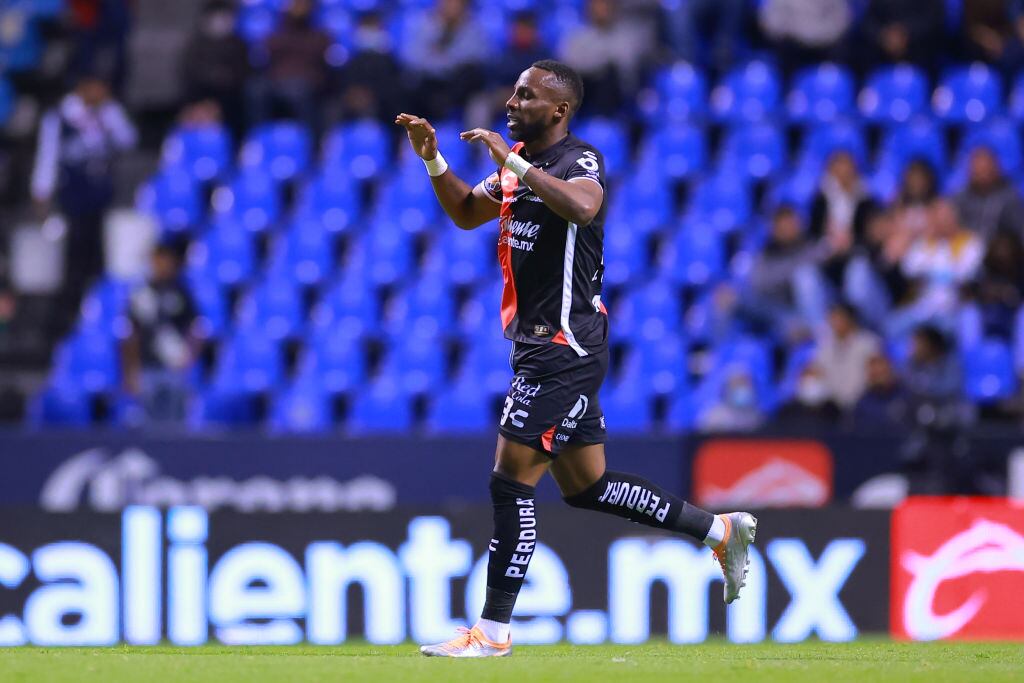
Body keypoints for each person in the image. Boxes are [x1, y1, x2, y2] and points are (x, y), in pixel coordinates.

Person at [395, 60, 756, 657]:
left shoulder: (578, 160)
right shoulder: (519, 169)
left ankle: (493, 633)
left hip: (563, 345)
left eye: (526, 95)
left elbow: (584, 207)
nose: (511, 102)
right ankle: (720, 530)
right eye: (512, 91)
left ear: (559, 110)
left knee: (510, 479)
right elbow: (464, 213)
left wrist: (512, 163)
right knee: (588, 486)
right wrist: (433, 159)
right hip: (538, 343)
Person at [31, 74, 138, 333]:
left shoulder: (107, 113)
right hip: (73, 199)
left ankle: (102, 315)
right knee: (74, 263)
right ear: (84, 87)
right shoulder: (59, 116)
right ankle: (63, 321)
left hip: (101, 199)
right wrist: (41, 192)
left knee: (101, 261)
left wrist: (110, 113)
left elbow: (129, 140)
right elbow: (47, 156)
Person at [121, 244, 198, 424]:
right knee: (148, 424)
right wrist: (131, 370)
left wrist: (189, 355)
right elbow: (131, 334)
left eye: (166, 261)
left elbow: (196, 327)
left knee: (176, 422)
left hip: (174, 366)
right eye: (158, 261)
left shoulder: (181, 292)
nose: (162, 266)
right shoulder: (140, 294)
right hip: (147, 366)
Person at [887, 199, 984, 338]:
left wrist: (933, 270)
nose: (941, 222)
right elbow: (909, 269)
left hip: (955, 308)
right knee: (891, 326)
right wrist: (930, 245)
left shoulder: (970, 242)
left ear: (954, 218)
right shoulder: (927, 243)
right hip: (924, 307)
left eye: (945, 217)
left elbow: (966, 274)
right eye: (936, 218)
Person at [741, 205, 830, 340]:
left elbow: (822, 255)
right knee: (726, 299)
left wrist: (784, 274)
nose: (788, 230)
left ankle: (820, 336)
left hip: (815, 309)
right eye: (782, 227)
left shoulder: (810, 245)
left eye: (791, 224)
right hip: (779, 311)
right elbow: (759, 283)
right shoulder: (767, 253)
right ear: (774, 230)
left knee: (804, 276)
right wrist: (790, 272)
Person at [248, 0, 332, 134]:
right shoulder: (278, 33)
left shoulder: (319, 36)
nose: (298, 8)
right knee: (256, 90)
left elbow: (320, 61)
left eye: (302, 4)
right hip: (276, 80)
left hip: (305, 82)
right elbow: (268, 51)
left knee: (301, 92)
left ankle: (310, 144)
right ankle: (256, 139)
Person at [559, 0, 653, 115]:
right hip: (587, 98)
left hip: (620, 98)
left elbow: (629, 73)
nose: (602, 9)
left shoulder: (628, 38)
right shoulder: (576, 38)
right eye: (597, 4)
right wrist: (601, 65)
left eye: (606, 4)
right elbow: (569, 69)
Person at [403, 0, 490, 119]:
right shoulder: (424, 24)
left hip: (457, 86)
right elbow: (412, 58)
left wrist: (439, 58)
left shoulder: (473, 29)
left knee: (471, 77)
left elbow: (476, 57)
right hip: (428, 84)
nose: (451, 6)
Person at [181, 0, 249, 138]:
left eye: (224, 17)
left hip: (230, 93)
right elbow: (189, 70)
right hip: (201, 92)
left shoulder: (238, 44)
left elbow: (243, 70)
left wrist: (226, 78)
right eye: (216, 17)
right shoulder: (196, 44)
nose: (220, 21)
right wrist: (212, 76)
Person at [812, 302, 881, 410]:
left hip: (864, 404)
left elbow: (877, 377)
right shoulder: (824, 348)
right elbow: (817, 375)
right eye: (831, 319)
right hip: (832, 408)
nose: (833, 323)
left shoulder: (869, 343)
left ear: (850, 319)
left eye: (838, 318)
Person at [953, 146, 1024, 241]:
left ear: (996, 169)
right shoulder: (959, 198)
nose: (982, 174)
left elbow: (1018, 231)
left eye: (986, 169)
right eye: (978, 170)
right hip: (966, 250)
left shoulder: (1011, 198)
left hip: (997, 250)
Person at [697, 366, 766, 433]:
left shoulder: (758, 418)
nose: (742, 388)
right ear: (726, 389)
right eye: (737, 384)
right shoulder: (714, 418)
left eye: (745, 384)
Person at [853, 353, 910, 428]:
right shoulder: (862, 403)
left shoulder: (907, 397)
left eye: (882, 373)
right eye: (875, 375)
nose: (879, 379)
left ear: (890, 371)